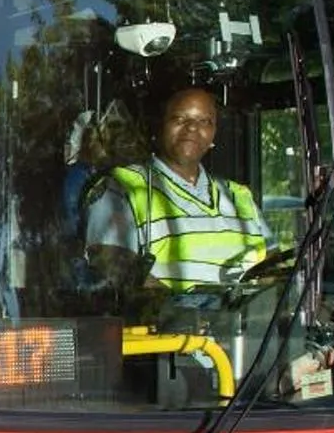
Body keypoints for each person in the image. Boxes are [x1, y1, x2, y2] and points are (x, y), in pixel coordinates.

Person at [85, 85, 269, 295]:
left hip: (250, 325)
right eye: (180, 119)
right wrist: (186, 311)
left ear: (213, 134)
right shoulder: (123, 187)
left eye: (204, 121)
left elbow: (272, 270)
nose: (192, 128)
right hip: (168, 326)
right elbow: (113, 267)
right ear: (159, 127)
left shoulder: (239, 196)